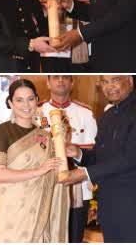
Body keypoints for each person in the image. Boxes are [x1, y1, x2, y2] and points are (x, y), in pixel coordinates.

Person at [62, 75, 136, 243]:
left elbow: (131, 158)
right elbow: (101, 155)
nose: (110, 87)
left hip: (135, 207)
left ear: (129, 81)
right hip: (110, 206)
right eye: (105, 82)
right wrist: (78, 153)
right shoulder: (107, 116)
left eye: (115, 80)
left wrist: (84, 173)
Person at [0, 79, 68, 243]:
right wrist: (39, 171)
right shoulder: (1, 131)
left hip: (40, 212)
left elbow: (57, 172)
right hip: (11, 216)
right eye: (19, 100)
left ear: (37, 100)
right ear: (10, 103)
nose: (26, 104)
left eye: (31, 98)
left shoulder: (46, 136)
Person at [38, 75, 97, 243]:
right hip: (47, 186)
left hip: (77, 189)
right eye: (55, 77)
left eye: (65, 77)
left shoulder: (85, 113)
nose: (60, 80)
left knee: (73, 238)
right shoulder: (38, 112)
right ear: (48, 83)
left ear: (72, 83)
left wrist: (77, 152)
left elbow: (95, 155)